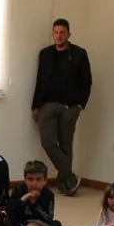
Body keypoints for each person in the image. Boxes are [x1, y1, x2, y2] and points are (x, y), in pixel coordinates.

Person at [31, 18, 92, 196]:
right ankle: (70, 176)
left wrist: (80, 104)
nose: (59, 36)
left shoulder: (80, 54)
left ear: (69, 34)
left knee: (66, 144)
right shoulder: (45, 54)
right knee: (48, 142)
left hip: (70, 106)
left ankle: (66, 185)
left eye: (62, 32)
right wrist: (35, 105)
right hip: (47, 104)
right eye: (56, 32)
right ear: (52, 34)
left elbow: (87, 81)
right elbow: (40, 80)